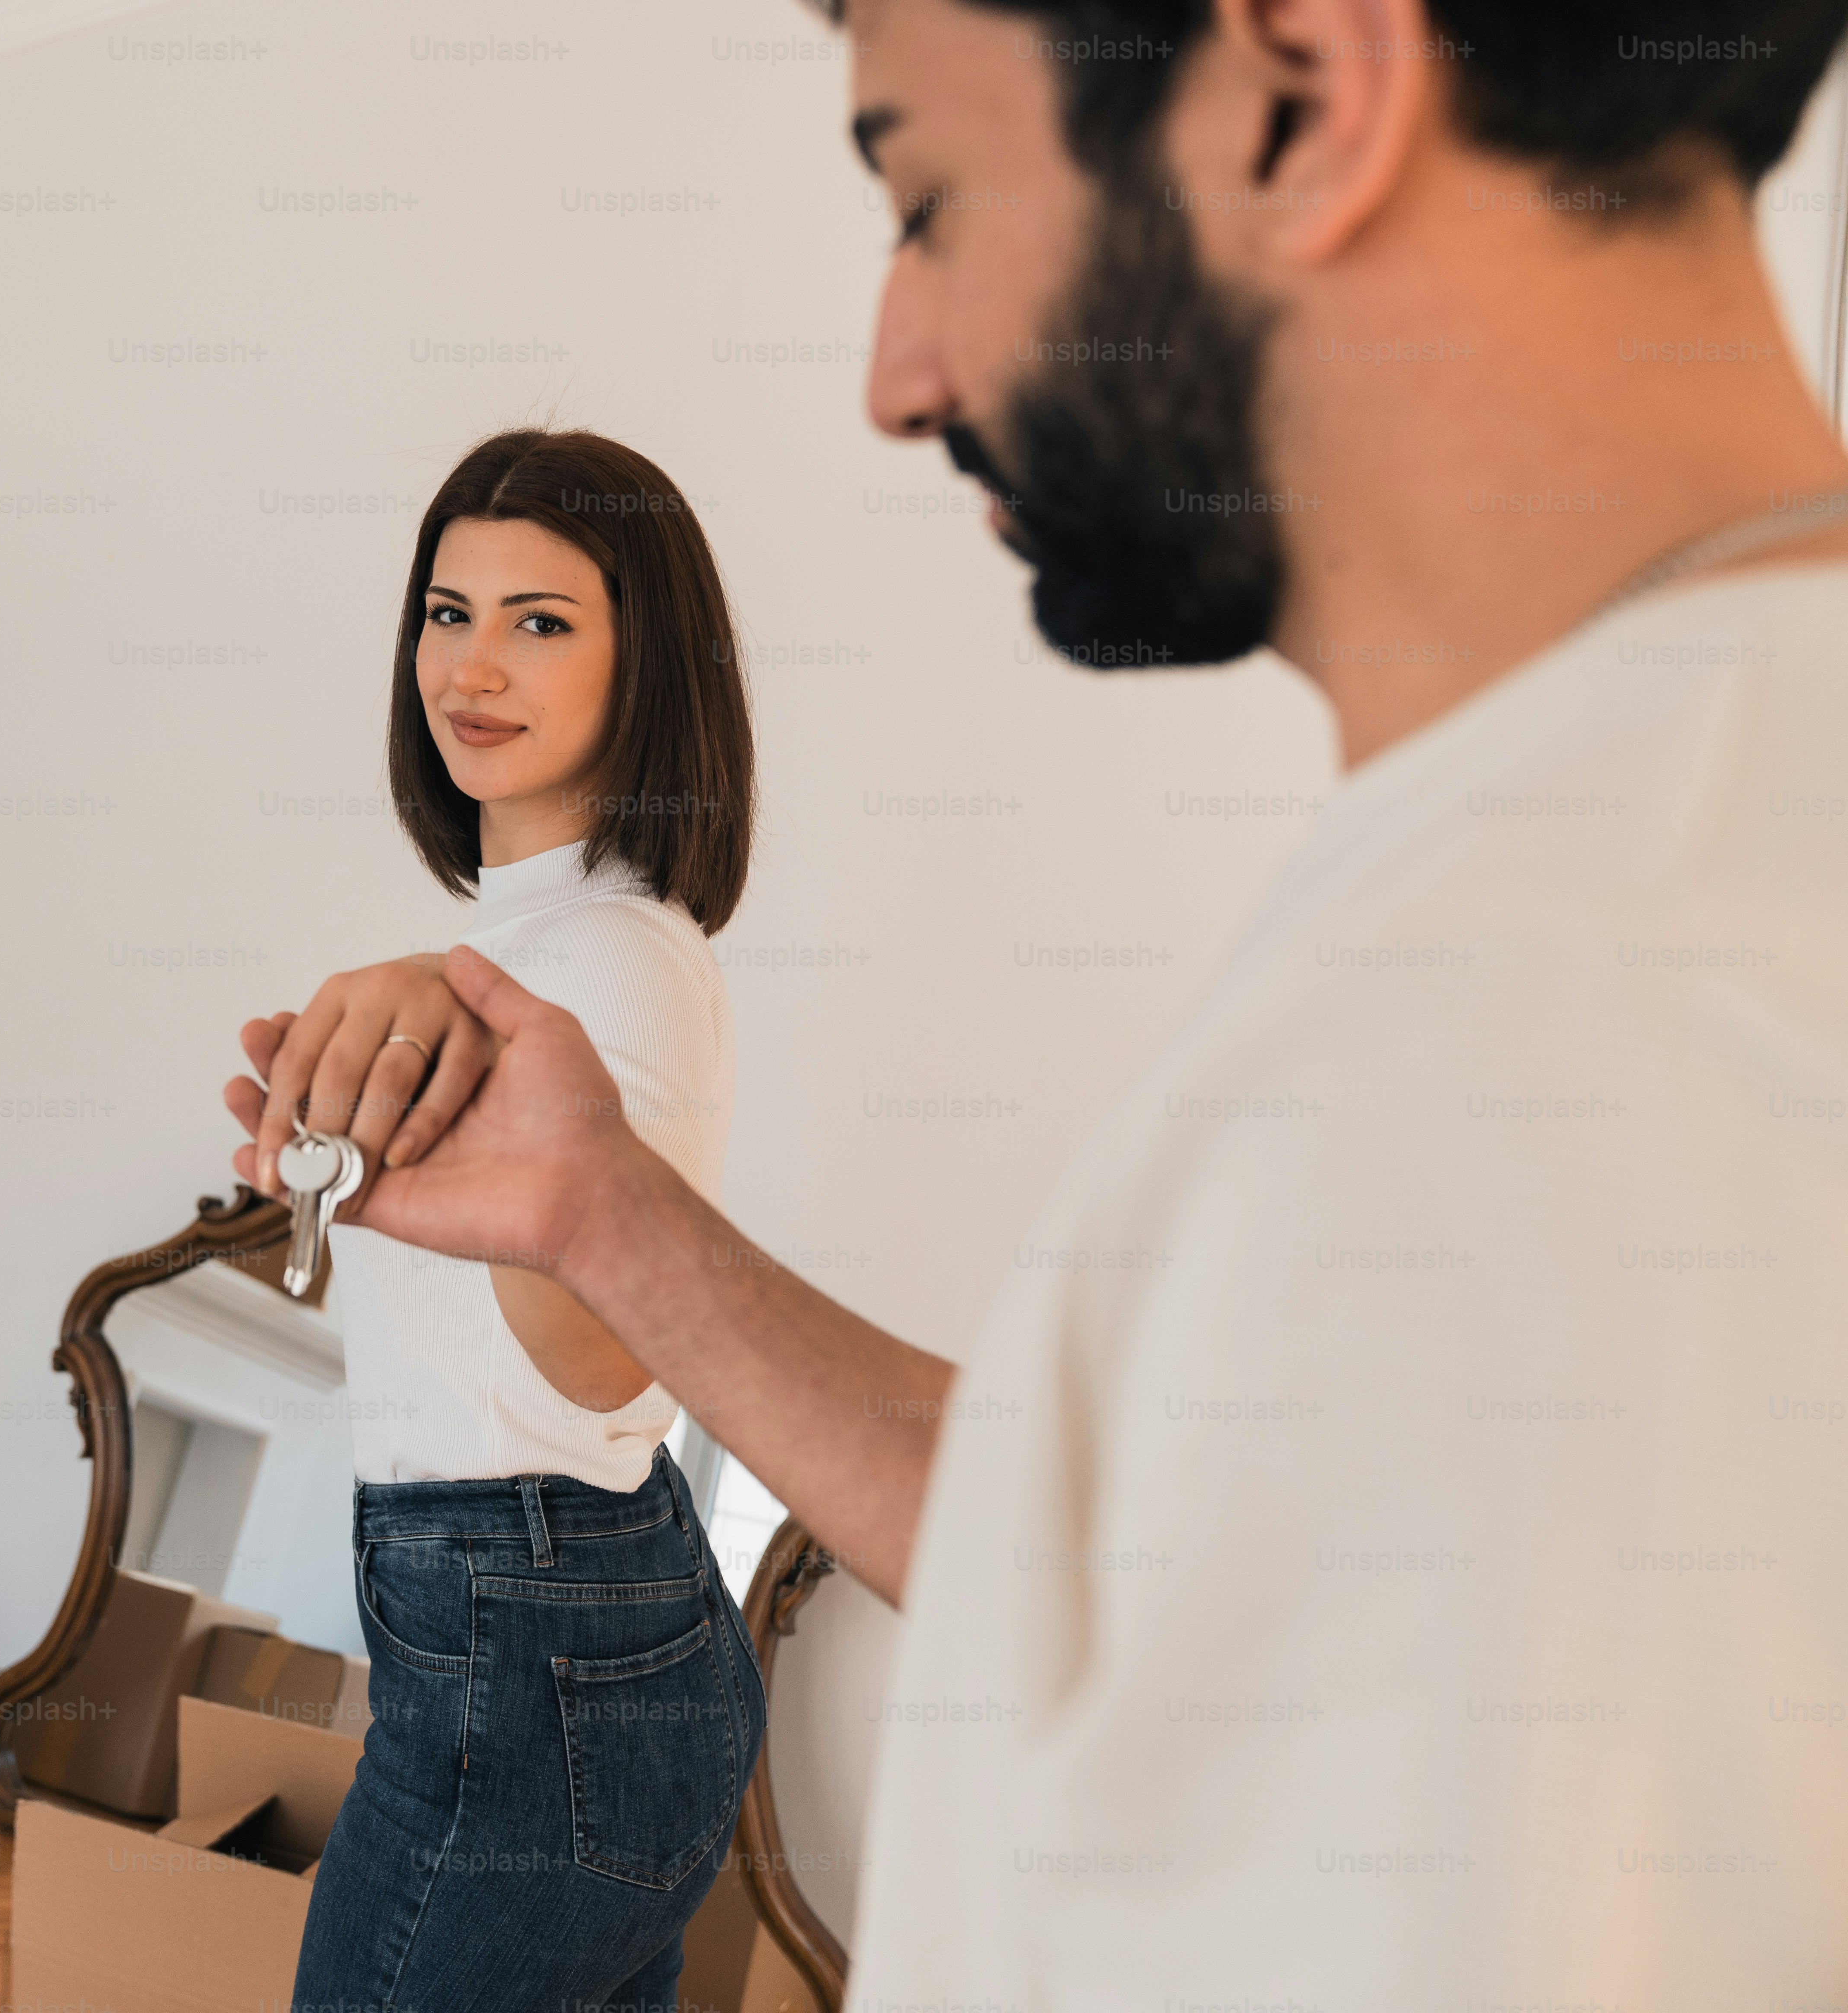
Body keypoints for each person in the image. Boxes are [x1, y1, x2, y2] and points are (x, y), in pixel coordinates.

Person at [226, 0, 1848, 2001]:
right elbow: (1148, 1556)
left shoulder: (1622, 990)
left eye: (929, 193)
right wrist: (602, 1213)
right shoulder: (1558, 869)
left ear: (1310, 88)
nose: (898, 377)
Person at [269, 428, 765, 2013]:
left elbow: (616, 1366)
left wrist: (502, 1179)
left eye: (541, 620)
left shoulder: (603, 957)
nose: (471, 666)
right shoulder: (536, 938)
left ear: (647, 661)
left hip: (535, 1651)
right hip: (561, 1637)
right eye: (445, 610)